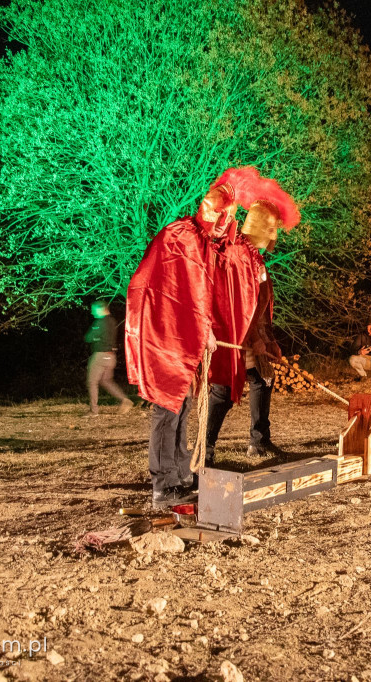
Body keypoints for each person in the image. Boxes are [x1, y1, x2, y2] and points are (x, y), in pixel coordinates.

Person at [126, 168, 259, 508]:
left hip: (190, 340)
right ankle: (162, 480)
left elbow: (208, 293)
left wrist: (209, 330)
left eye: (227, 216)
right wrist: (202, 330)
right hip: (167, 337)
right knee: (167, 408)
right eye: (216, 212)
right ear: (204, 207)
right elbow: (177, 292)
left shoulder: (208, 245)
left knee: (184, 405)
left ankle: (181, 472)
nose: (221, 220)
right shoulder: (181, 236)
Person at [207, 174, 300, 460]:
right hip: (232, 335)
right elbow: (237, 304)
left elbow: (260, 303)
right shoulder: (237, 254)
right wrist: (252, 338)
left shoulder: (255, 257)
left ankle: (259, 441)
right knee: (222, 392)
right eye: (271, 229)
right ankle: (205, 450)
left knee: (262, 379)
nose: (274, 236)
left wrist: (267, 339)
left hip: (253, 336)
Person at [83, 299, 133, 417]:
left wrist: (95, 338)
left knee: (92, 382)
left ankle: (93, 411)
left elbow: (88, 338)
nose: (92, 313)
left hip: (100, 355)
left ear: (101, 309)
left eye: (94, 310)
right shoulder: (112, 321)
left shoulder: (100, 323)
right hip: (111, 356)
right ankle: (125, 400)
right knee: (106, 381)